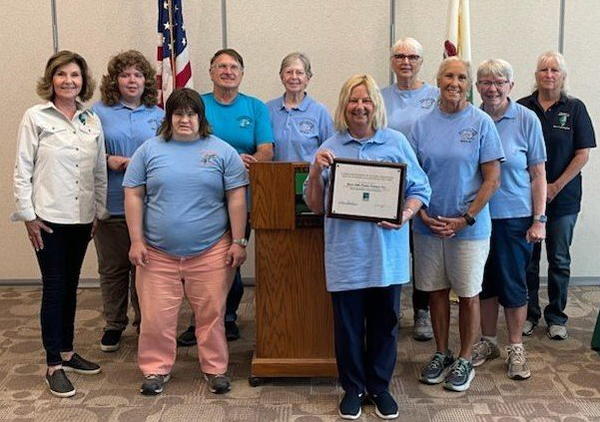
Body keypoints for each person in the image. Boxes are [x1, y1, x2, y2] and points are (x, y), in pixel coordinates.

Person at [305, 74, 431, 420]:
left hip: (386, 256)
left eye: (366, 101)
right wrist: (316, 172)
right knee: (347, 327)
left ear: (376, 105)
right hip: (346, 255)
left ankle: (379, 387)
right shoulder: (329, 147)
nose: (360, 107)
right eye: (353, 100)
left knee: (384, 324)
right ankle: (353, 388)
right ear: (344, 105)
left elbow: (421, 189)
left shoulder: (396, 143)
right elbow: (316, 205)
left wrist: (404, 215)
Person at [123, 88, 248, 395]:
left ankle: (215, 368)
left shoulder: (222, 151)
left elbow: (236, 197)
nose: (184, 119)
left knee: (212, 314)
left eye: (191, 114)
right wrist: (136, 240)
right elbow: (134, 194)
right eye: (178, 113)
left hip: (211, 250)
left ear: (200, 118)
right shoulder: (149, 150)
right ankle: (155, 369)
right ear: (169, 117)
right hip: (156, 252)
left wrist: (239, 241)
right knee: (155, 316)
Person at [12, 50, 107, 398]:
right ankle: (53, 364)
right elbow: (22, 169)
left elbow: (98, 170)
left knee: (70, 286)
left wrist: (98, 211)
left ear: (84, 81)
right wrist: (28, 215)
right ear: (51, 79)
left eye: (75, 76)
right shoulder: (36, 116)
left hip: (82, 218)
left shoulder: (91, 118)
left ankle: (67, 351)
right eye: (62, 75)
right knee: (54, 288)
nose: (69, 81)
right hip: (48, 219)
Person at [410, 57, 504, 392]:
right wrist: (420, 213)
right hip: (428, 226)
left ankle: (465, 357)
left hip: (469, 229)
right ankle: (441, 352)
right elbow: (413, 176)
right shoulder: (421, 126)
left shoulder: (481, 123)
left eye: (462, 77)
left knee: (467, 294)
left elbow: (492, 179)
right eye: (449, 75)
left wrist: (466, 219)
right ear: (438, 80)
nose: (455, 82)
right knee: (435, 292)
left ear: (469, 84)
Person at [177, 48, 273, 346]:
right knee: (198, 259)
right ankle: (199, 319)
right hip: (201, 198)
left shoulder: (256, 107)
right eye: (221, 66)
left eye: (233, 67)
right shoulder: (198, 104)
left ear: (242, 73)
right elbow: (183, 142)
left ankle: (227, 316)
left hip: (240, 196)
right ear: (211, 72)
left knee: (231, 257)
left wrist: (252, 161)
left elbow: (266, 150)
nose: (227, 71)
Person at [470, 59, 547, 380]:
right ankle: (488, 341)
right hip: (476, 217)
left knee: (513, 284)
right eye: (486, 82)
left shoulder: (527, 120)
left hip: (515, 218)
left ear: (511, 86)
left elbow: (538, 173)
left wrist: (539, 218)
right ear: (477, 87)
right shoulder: (471, 118)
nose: (492, 88)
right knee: (484, 284)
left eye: (500, 82)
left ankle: (516, 346)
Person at [518, 51, 596, 340]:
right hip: (526, 198)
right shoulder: (522, 108)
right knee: (528, 258)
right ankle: (529, 314)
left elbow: (582, 154)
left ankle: (556, 316)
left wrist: (555, 186)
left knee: (559, 258)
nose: (549, 75)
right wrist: (536, 187)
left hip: (563, 199)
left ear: (563, 76)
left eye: (555, 70)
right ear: (536, 75)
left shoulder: (575, 108)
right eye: (543, 69)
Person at [92, 50, 164, 352]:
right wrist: (109, 161)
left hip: (150, 207)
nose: (131, 80)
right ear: (115, 81)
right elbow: (86, 155)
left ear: (146, 80)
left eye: (137, 75)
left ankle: (143, 324)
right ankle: (114, 323)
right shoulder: (97, 113)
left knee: (145, 270)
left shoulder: (159, 115)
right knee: (112, 269)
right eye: (125, 75)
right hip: (111, 202)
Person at [381, 37, 439, 341]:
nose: (406, 62)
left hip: (423, 187)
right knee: (389, 249)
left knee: (423, 252)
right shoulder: (378, 97)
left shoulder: (437, 95)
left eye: (412, 57)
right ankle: (386, 314)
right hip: (385, 189)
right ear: (392, 61)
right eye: (400, 56)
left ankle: (422, 311)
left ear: (421, 62)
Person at [267, 52, 333, 162]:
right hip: (275, 177)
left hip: (308, 178)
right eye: (289, 72)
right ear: (282, 77)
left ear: (308, 78)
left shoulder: (320, 112)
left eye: (299, 73)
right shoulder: (268, 109)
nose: (294, 77)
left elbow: (330, 151)